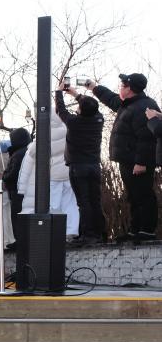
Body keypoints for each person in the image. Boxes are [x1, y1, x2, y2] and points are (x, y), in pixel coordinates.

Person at [89, 73, 160, 241]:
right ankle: (135, 230)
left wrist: (142, 162)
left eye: (122, 85)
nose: (119, 88)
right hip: (127, 159)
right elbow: (110, 99)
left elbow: (147, 138)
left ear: (130, 89)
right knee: (133, 195)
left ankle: (147, 230)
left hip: (138, 161)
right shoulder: (128, 104)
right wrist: (93, 87)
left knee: (144, 195)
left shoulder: (145, 106)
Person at [56, 84, 106, 245]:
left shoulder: (74, 122)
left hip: (79, 167)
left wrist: (59, 92)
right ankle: (99, 233)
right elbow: (91, 107)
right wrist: (76, 95)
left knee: (83, 202)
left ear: (81, 110)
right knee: (95, 201)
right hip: (94, 166)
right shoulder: (98, 120)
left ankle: (88, 234)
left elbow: (61, 110)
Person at [2, 127, 32, 249]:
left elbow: (12, 173)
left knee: (17, 215)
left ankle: (20, 240)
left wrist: (5, 175)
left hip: (17, 189)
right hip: (26, 189)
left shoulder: (18, 154)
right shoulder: (28, 151)